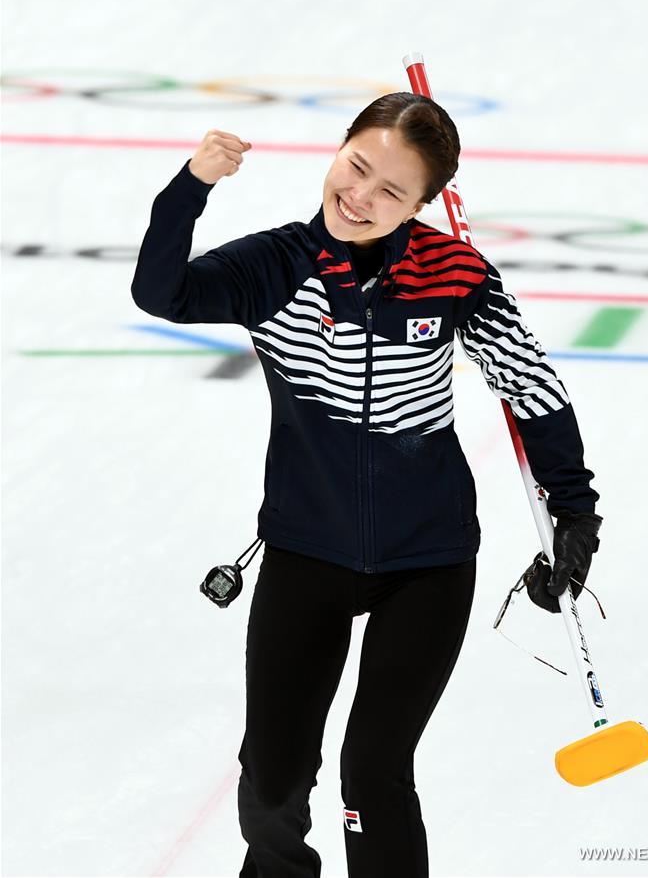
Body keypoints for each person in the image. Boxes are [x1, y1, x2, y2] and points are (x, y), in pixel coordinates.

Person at [131, 92, 602, 878]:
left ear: (422, 204)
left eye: (392, 192)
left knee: (374, 775)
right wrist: (190, 186)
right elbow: (163, 293)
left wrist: (575, 517)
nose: (361, 197)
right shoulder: (274, 265)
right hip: (305, 552)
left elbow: (533, 391)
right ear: (340, 149)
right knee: (273, 783)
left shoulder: (455, 275)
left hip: (428, 562)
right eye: (356, 168)